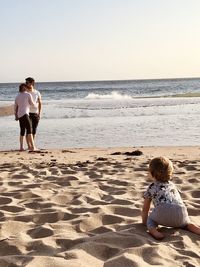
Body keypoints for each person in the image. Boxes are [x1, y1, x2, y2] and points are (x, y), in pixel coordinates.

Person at [142, 156, 200, 239]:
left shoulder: (151, 187)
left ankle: (155, 233)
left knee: (150, 221)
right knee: (187, 224)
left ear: (151, 173)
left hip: (162, 211)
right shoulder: (173, 185)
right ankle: (197, 230)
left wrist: (145, 222)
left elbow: (145, 209)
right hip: (181, 211)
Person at [14, 83, 37, 151]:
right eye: (26, 87)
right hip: (25, 114)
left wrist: (16, 116)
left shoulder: (17, 96)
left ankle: (21, 147)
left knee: (22, 131)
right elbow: (32, 104)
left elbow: (15, 107)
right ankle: (33, 147)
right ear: (24, 88)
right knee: (30, 130)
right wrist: (37, 105)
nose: (27, 88)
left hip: (20, 115)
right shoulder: (28, 94)